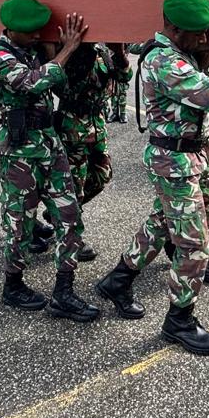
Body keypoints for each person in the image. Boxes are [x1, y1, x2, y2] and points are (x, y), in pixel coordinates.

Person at [95, 0, 209, 356]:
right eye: (198, 33)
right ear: (174, 29)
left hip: (191, 157)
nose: (205, 38)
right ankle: (179, 321)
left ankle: (118, 279)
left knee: (164, 221)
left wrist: (208, 58)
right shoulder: (164, 60)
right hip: (174, 163)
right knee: (193, 243)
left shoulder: (183, 53)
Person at [0, 0, 99, 322]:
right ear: (11, 29)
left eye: (39, 30)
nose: (37, 35)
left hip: (49, 143)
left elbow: (64, 83)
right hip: (19, 151)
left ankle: (64, 292)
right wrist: (66, 49)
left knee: (69, 215)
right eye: (31, 31)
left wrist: (54, 52)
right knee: (21, 223)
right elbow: (32, 83)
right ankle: (13, 285)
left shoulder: (33, 51)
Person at [52, 42, 132, 262]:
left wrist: (119, 53)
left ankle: (58, 211)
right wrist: (77, 50)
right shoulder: (68, 53)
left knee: (101, 176)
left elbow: (124, 76)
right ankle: (70, 238)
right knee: (74, 187)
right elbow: (65, 88)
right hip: (73, 129)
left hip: (96, 127)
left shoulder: (101, 52)